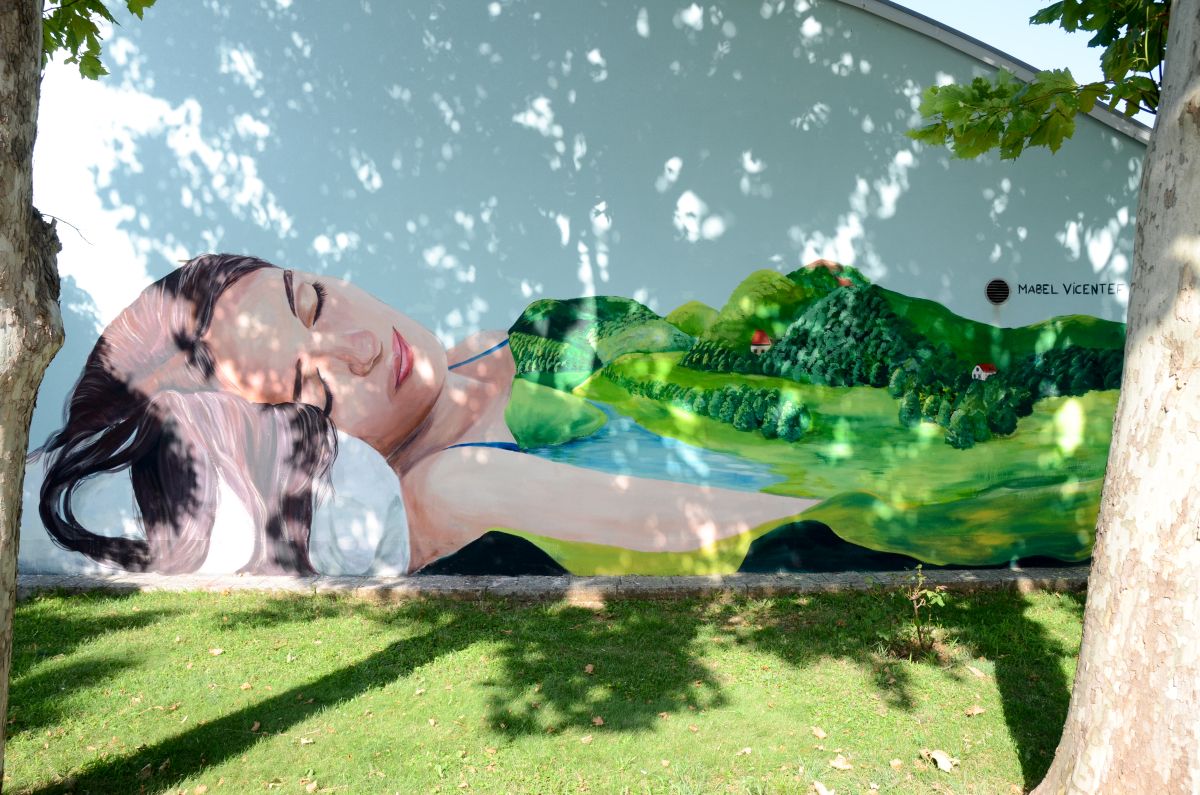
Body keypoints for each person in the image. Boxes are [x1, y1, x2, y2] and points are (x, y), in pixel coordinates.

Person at [37, 254, 817, 575]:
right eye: (318, 394)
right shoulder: (451, 487)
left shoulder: (492, 349)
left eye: (312, 299)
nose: (363, 345)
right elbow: (784, 520)